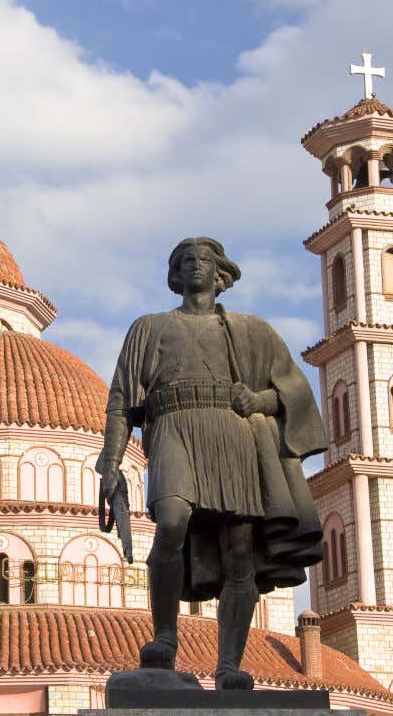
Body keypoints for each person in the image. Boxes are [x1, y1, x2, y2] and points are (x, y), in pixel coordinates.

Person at [98, 237, 326, 689]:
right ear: (175, 276)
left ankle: (229, 666)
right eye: (186, 262)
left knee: (238, 550)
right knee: (171, 524)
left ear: (219, 273)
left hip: (232, 434)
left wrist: (259, 398)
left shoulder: (250, 329)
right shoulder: (149, 327)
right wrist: (110, 460)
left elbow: (293, 389)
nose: (196, 267)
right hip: (174, 427)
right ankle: (163, 638)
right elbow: (122, 397)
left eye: (204, 260)